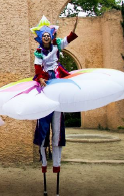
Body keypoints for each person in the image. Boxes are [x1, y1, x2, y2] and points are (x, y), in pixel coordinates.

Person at [31, 15, 78, 195]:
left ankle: (56, 164)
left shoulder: (57, 46)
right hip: (44, 86)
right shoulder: (38, 53)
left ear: (51, 36)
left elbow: (67, 40)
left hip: (57, 84)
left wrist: (73, 31)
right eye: (43, 36)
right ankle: (44, 162)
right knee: (43, 127)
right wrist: (41, 78)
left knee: (57, 130)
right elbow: (37, 68)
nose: (46, 38)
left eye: (48, 35)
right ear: (40, 38)